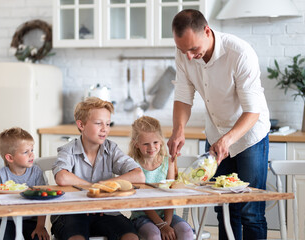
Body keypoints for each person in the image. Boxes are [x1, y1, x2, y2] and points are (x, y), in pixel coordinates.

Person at [167, 9, 270, 240]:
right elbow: (183, 95)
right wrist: (178, 130)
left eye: (193, 49)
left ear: (207, 31)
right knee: (223, 207)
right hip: (216, 133)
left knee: (249, 209)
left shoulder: (239, 53)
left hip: (249, 135)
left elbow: (253, 110)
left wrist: (228, 139)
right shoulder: (184, 52)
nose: (189, 56)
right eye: (184, 51)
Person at [51, 97, 145, 240]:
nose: (104, 129)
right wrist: (93, 188)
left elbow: (139, 175)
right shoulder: (67, 150)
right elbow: (62, 177)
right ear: (81, 125)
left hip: (106, 212)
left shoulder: (111, 149)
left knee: (131, 237)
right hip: (72, 212)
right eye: (98, 123)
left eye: (108, 124)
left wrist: (105, 185)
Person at [0, 127, 49, 240]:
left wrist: (40, 226)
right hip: (7, 222)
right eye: (26, 152)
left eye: (32, 150)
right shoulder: (0, 176)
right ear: (10, 157)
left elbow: (43, 201)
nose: (31, 155)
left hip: (31, 221)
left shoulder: (36, 172)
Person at [129, 116, 193, 240]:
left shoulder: (168, 162)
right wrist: (161, 225)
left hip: (167, 215)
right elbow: (142, 202)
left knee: (186, 232)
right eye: (146, 144)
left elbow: (170, 194)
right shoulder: (133, 166)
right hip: (142, 216)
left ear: (161, 141)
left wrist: (166, 223)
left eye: (155, 142)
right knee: (153, 234)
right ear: (136, 144)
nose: (151, 147)